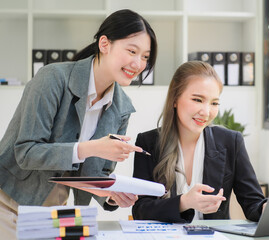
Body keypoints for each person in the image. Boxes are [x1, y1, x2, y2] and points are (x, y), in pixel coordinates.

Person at [0, 9, 157, 238]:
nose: (138, 63)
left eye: (145, 56)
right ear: (105, 44)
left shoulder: (122, 107)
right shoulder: (52, 79)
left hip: (56, 212)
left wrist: (112, 194)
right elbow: (26, 152)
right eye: (132, 51)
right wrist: (92, 147)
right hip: (9, 204)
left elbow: (96, 174)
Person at [132, 61, 267, 223]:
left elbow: (253, 204)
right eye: (197, 100)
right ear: (175, 99)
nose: (206, 112)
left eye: (214, 103)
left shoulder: (231, 142)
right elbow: (141, 209)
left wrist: (267, 208)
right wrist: (185, 202)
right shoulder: (148, 142)